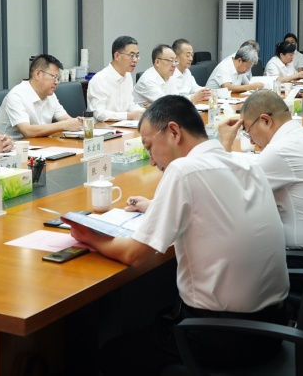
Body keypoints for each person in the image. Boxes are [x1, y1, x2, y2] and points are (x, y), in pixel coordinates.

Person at [67, 95, 288, 375]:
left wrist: (88, 235)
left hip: (220, 338)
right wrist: (156, 207)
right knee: (158, 313)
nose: (151, 161)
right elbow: (214, 208)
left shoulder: (183, 170)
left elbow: (134, 255)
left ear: (173, 132)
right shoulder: (249, 165)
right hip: (273, 327)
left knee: (111, 354)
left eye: (149, 147)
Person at [217, 90, 303, 249]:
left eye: (248, 132)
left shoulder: (280, 151)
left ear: (266, 121)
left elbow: (228, 199)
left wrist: (225, 144)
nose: (252, 141)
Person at [0, 54, 83, 139]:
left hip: (38, 144)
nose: (56, 82)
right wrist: (63, 125)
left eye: (58, 78)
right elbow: (27, 131)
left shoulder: (50, 95)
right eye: (54, 77)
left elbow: (66, 119)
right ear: (38, 74)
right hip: (12, 147)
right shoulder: (16, 95)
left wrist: (79, 122)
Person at [86, 36, 146, 121]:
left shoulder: (127, 76)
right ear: (117, 56)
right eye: (131, 55)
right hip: (101, 127)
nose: (135, 60)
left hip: (122, 125)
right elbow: (99, 113)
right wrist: (128, 116)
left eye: (137, 55)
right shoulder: (100, 79)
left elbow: (129, 105)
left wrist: (143, 112)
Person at [169, 38, 211, 104]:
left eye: (192, 55)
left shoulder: (187, 71)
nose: (191, 59)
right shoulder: (170, 74)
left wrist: (206, 91)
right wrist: (193, 97)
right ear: (176, 57)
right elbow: (174, 100)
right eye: (187, 55)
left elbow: (195, 88)